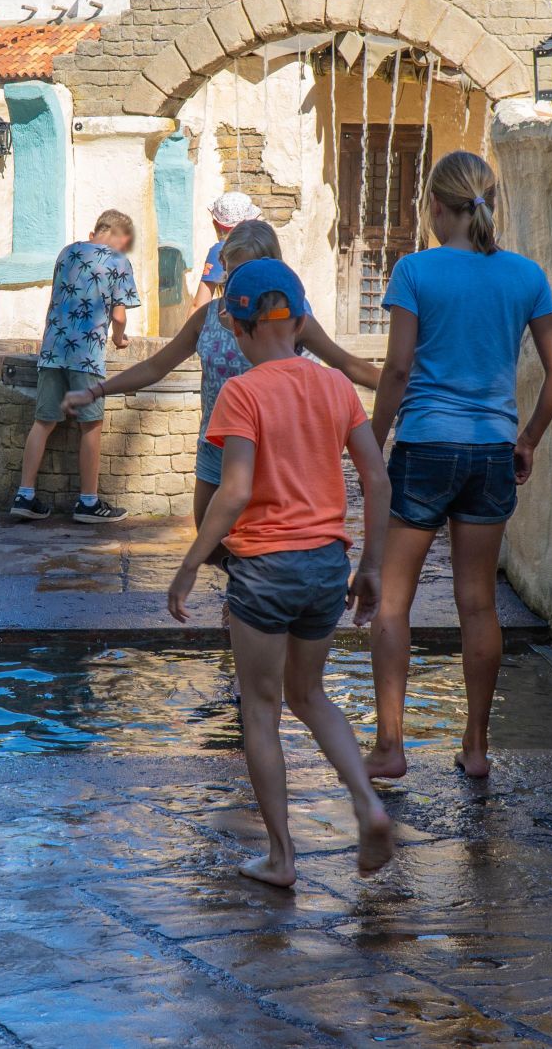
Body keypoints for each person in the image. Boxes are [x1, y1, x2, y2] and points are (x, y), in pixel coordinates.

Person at [167, 258, 395, 887]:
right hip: (327, 564)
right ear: (298, 319)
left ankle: (281, 857)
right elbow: (376, 478)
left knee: (262, 709)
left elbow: (234, 493)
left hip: (265, 569)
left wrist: (190, 566)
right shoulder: (336, 388)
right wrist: (370, 565)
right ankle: (366, 802)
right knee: (310, 694)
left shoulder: (242, 392)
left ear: (237, 331)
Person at [363, 152, 552, 782]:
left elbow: (397, 370)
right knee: (478, 605)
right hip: (490, 451)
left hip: (425, 446)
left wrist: (373, 440)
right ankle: (476, 748)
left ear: (436, 207)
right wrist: (527, 437)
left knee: (392, 603)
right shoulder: (525, 276)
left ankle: (391, 746)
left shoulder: (415, 271)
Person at [65, 219, 379, 535]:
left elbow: (347, 365)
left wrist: (401, 386)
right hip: (215, 447)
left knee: (262, 541)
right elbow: (156, 366)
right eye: (232, 273)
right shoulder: (208, 318)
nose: (237, 284)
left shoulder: (289, 320)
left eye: (248, 273)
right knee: (211, 539)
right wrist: (97, 391)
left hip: (272, 451)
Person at [11, 210, 142, 524]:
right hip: (86, 355)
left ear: (95, 231)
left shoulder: (66, 252)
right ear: (122, 238)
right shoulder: (119, 261)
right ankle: (88, 502)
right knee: (91, 425)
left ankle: (24, 495)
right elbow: (120, 316)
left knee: (43, 422)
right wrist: (120, 340)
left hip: (53, 350)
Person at [192, 191, 262, 310]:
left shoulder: (221, 251)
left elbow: (199, 305)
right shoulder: (263, 245)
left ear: (216, 223)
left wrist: (188, 329)